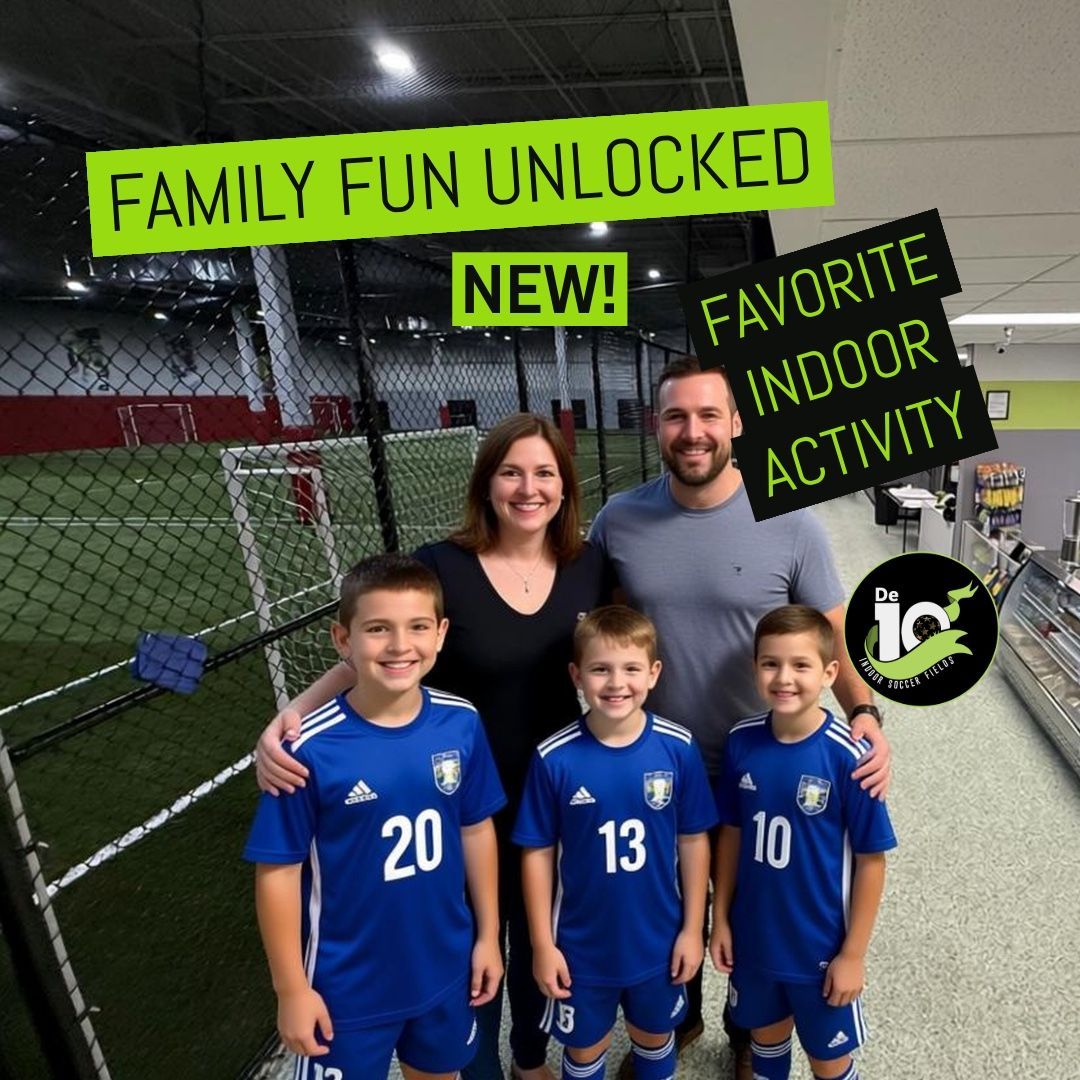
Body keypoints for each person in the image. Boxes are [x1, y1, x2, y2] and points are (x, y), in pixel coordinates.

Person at [254, 413, 611, 1080]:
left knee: (544, 933)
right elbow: (381, 647)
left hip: (557, 796)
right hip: (453, 796)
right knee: (473, 948)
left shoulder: (590, 565)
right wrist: (292, 714)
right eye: (510, 472)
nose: (527, 488)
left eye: (543, 473)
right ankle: (471, 1064)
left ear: (565, 487)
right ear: (486, 484)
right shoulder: (439, 565)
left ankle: (531, 1059)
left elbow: (623, 652)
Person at [587, 356, 892, 1080]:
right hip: (659, 765)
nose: (693, 432)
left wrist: (866, 711)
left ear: (736, 424)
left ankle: (753, 1026)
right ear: (656, 425)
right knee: (666, 901)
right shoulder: (619, 521)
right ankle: (676, 1017)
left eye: (708, 416)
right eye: (676, 416)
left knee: (759, 902)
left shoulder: (791, 524)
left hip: (767, 759)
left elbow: (833, 634)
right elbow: (590, 627)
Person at [243, 554, 506, 1079]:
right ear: (343, 639)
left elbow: (476, 828)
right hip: (345, 987)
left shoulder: (461, 723)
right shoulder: (307, 751)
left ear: (441, 634)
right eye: (378, 629)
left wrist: (487, 936)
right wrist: (291, 988)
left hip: (442, 967)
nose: (399, 645)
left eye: (417, 628)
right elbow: (278, 871)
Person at [513, 606, 716, 1080]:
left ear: (654, 673)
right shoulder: (554, 758)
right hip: (581, 948)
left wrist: (692, 929)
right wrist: (543, 945)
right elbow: (537, 854)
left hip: (658, 940)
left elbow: (692, 840)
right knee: (585, 1049)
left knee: (654, 1037)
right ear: (576, 675)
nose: (616, 682)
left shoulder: (677, 748)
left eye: (630, 669)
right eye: (600, 669)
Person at [709, 605, 897, 1080]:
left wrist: (853, 954)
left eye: (801, 665)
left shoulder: (849, 756)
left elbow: (871, 861)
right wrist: (721, 918)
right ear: (754, 669)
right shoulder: (741, 743)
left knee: (829, 1062)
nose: (784, 677)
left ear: (830, 672)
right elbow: (731, 833)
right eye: (770, 663)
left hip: (820, 949)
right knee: (765, 1045)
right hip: (755, 941)